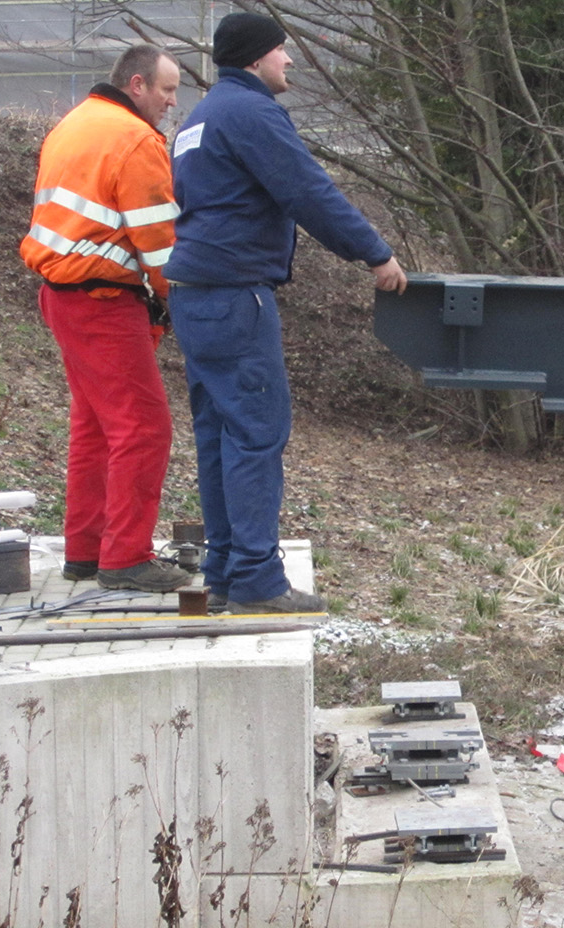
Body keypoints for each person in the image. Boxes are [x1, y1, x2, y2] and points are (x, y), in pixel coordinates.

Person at [166, 12, 407, 615]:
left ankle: (223, 566)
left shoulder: (198, 118)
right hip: (233, 295)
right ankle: (254, 580)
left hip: (195, 293)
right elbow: (306, 189)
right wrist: (374, 253)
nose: (290, 61)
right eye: (282, 51)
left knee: (220, 435)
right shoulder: (250, 113)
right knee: (255, 433)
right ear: (255, 59)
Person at [20, 44, 191, 593]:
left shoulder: (75, 124)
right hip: (102, 303)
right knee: (143, 428)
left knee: (95, 428)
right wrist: (178, 303)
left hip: (62, 295)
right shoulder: (136, 139)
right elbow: (160, 245)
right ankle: (126, 559)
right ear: (136, 84)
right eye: (166, 89)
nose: (170, 102)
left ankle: (86, 551)